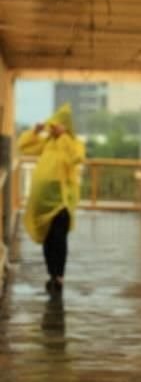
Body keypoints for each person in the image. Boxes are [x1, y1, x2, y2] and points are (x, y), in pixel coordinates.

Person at [16, 103, 85, 296]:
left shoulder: (72, 143)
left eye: (57, 126)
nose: (53, 129)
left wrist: (63, 136)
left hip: (61, 201)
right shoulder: (47, 143)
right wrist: (35, 132)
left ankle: (59, 275)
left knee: (59, 238)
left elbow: (76, 158)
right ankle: (51, 274)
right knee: (48, 239)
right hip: (42, 201)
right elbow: (23, 146)